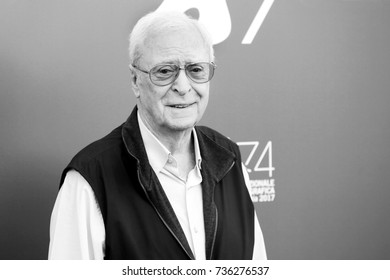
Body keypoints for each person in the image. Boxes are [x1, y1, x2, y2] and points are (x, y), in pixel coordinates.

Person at [49, 11, 267, 260]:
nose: (183, 87)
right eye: (165, 71)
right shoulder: (91, 179)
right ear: (135, 80)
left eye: (196, 69)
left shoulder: (230, 160)